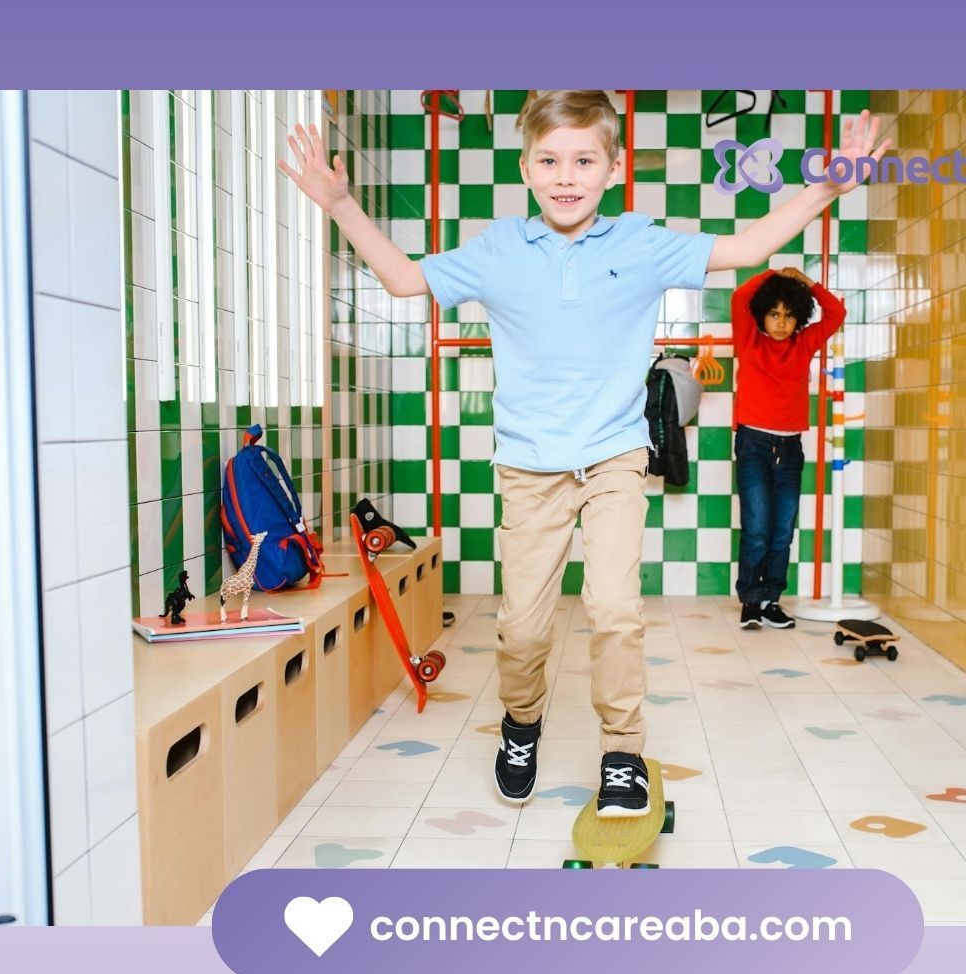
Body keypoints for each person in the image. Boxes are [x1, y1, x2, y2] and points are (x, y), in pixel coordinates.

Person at [279, 90, 886, 817]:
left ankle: (623, 752)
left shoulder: (640, 242)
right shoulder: (500, 249)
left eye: (584, 160)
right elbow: (405, 280)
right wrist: (342, 204)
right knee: (524, 626)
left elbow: (748, 250)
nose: (567, 175)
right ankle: (521, 723)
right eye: (550, 160)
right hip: (529, 468)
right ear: (527, 168)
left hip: (614, 460)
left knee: (616, 611)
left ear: (613, 166)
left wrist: (825, 186)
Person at [730, 266, 845, 629]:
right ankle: (750, 601)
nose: (781, 323)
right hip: (754, 445)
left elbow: (837, 313)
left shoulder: (804, 344)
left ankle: (770, 600)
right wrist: (772, 274)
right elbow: (738, 298)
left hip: (790, 448)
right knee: (757, 528)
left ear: (799, 319)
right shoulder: (749, 340)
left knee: (782, 530)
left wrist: (807, 283)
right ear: (763, 313)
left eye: (790, 315)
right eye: (774, 313)